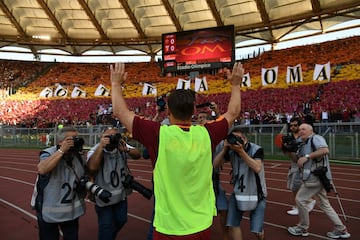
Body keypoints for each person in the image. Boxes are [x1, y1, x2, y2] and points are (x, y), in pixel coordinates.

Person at [110, 62, 244, 239]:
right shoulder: (206, 134)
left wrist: (115, 84)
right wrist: (236, 84)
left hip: (169, 227)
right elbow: (233, 112)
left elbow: (120, 112)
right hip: (201, 224)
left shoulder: (159, 134)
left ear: (169, 112)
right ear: (194, 111)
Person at [287, 123, 351, 238]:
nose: (301, 131)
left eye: (304, 129)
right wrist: (289, 150)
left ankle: (302, 228)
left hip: (315, 178)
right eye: (300, 129)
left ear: (311, 131)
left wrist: (307, 156)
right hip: (311, 177)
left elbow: (325, 150)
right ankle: (341, 229)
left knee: (300, 199)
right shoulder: (303, 143)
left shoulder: (316, 138)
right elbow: (298, 161)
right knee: (324, 204)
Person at [31, 126, 86, 240]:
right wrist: (61, 151)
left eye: (77, 138)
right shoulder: (48, 153)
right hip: (48, 210)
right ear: (61, 142)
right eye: (72, 139)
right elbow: (42, 169)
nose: (76, 141)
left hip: (71, 211)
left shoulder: (78, 156)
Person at [86, 127, 141, 240]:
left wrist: (126, 150)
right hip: (103, 197)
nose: (112, 139)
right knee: (106, 226)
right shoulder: (95, 150)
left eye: (115, 136)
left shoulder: (120, 146)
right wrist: (101, 146)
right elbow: (92, 167)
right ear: (101, 137)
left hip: (121, 196)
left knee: (121, 220)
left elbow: (137, 155)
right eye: (108, 136)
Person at [213, 126, 266, 240]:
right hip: (238, 193)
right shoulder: (231, 151)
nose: (236, 141)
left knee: (257, 231)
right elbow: (215, 165)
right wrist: (224, 150)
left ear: (245, 139)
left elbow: (257, 167)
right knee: (232, 225)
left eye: (239, 138)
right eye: (233, 138)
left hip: (256, 193)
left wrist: (241, 151)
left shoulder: (256, 149)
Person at [197, 107, 230, 240]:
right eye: (198, 118)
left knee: (223, 209)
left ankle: (225, 236)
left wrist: (217, 113)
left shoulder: (218, 141)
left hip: (213, 180)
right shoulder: (193, 138)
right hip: (198, 181)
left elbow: (226, 127)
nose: (200, 120)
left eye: (203, 118)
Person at [282, 117, 316, 216]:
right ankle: (303, 203)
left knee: (296, 186)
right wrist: (285, 148)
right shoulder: (290, 137)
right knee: (294, 186)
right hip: (294, 164)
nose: (293, 127)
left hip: (303, 164)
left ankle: (306, 202)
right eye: (291, 125)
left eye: (295, 125)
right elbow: (288, 154)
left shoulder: (304, 137)